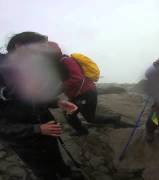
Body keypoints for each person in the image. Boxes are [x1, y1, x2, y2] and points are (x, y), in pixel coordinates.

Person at [0, 32, 84, 180]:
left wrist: (56, 102)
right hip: (25, 139)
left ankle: (65, 173)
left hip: (47, 126)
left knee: (56, 156)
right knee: (42, 169)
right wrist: (37, 129)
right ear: (19, 46)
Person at [48, 42, 97, 136]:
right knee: (69, 114)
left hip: (86, 92)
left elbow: (77, 78)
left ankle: (114, 119)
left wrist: (59, 89)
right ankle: (82, 131)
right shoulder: (58, 64)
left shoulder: (66, 60)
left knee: (89, 118)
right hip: (78, 94)